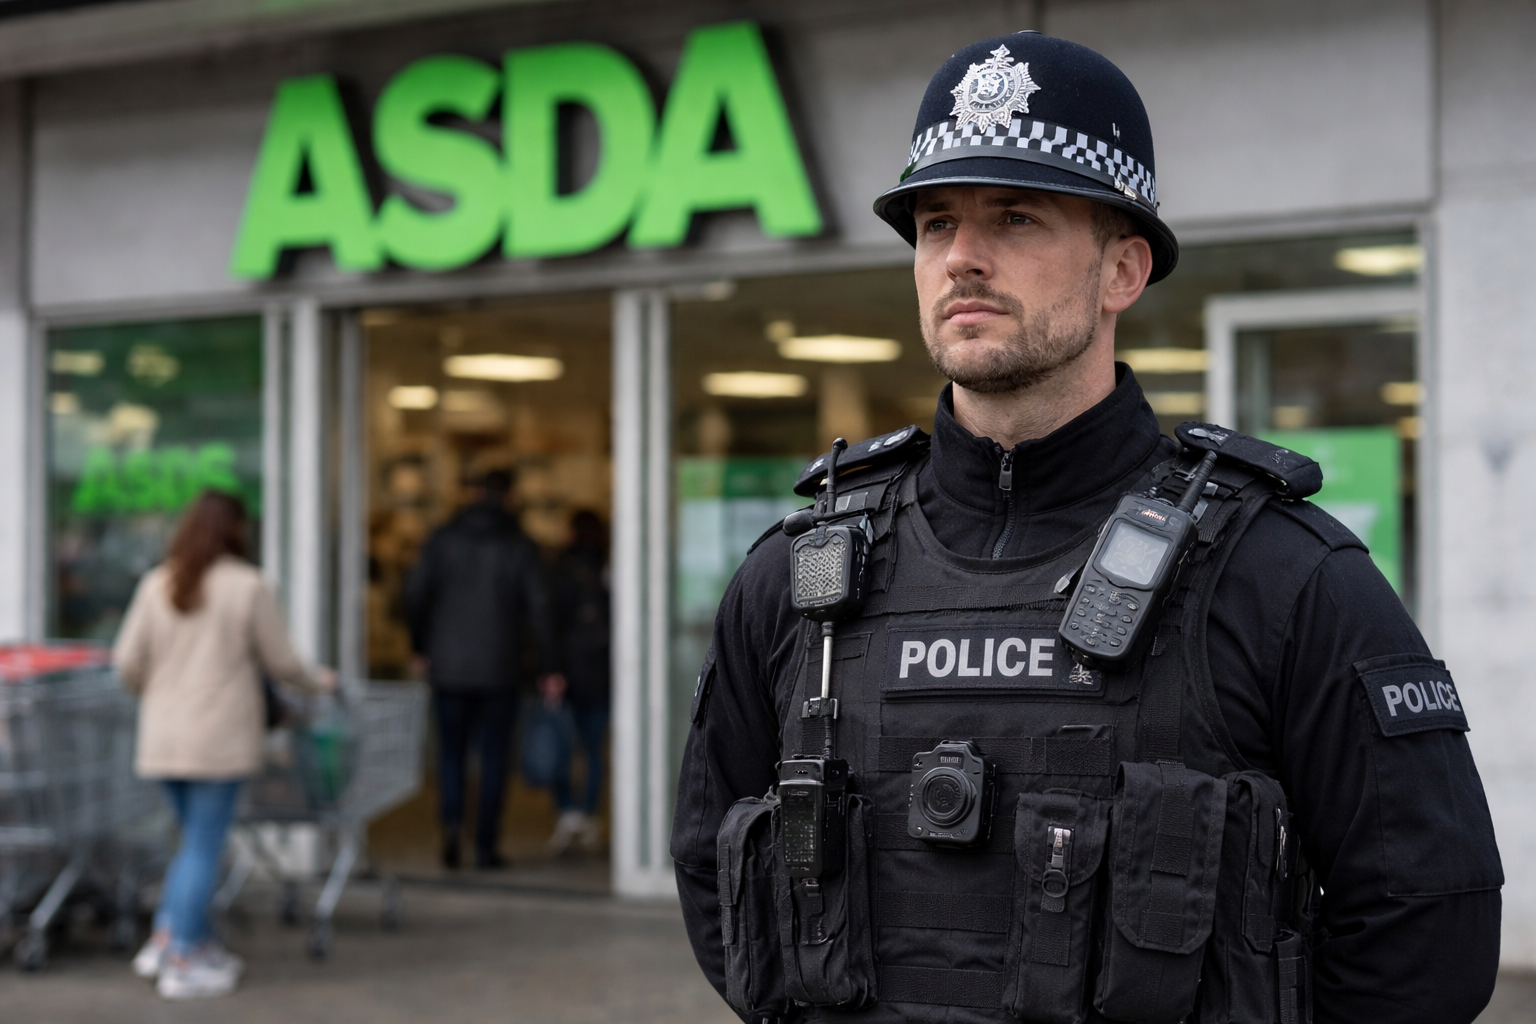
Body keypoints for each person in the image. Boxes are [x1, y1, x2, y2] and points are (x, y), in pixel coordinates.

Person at [671, 31, 1502, 1024]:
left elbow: (1427, 927)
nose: (961, 257)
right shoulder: (800, 576)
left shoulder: (1281, 573)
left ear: (1123, 269)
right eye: (936, 224)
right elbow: (716, 874)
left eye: (1015, 217)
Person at [114, 490, 333, 1000]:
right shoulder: (247, 586)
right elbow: (282, 662)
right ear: (237, 530)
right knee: (203, 846)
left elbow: (127, 662)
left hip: (163, 738)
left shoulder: (156, 583)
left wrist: (160, 693)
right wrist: (318, 682)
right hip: (218, 739)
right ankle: (184, 957)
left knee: (191, 841)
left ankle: (175, 936)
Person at [404, 467, 560, 870]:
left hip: (449, 666)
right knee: (493, 758)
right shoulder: (518, 544)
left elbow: (415, 594)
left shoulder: (443, 538)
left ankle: (452, 829)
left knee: (451, 755)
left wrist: (421, 646)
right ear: (509, 496)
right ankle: (486, 844)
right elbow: (539, 608)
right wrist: (547, 663)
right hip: (500, 668)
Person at [544, 510, 611, 855]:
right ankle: (587, 816)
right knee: (593, 748)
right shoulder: (612, 568)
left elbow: (551, 624)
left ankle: (567, 812)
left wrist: (551, 670)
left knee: (560, 746)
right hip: (603, 673)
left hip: (567, 674)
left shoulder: (561, 572)